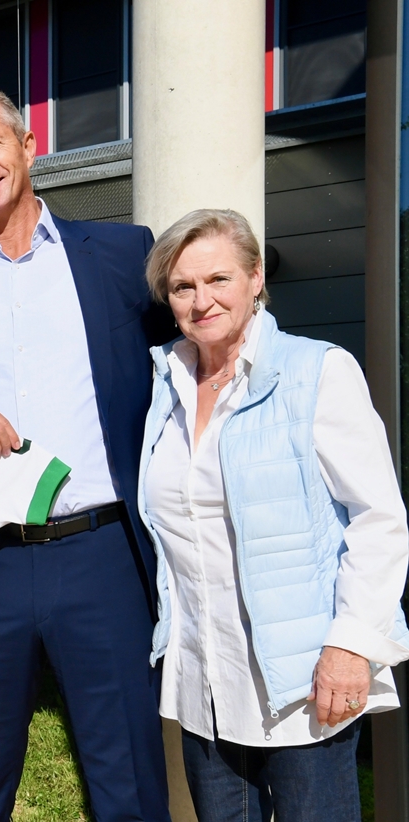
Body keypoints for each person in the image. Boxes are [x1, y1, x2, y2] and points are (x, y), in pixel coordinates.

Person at [0, 86, 175, 822]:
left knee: (128, 782)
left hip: (101, 553)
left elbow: (192, 360)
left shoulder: (121, 254)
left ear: (26, 147)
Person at [137, 208, 409, 822]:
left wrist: (351, 647)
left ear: (256, 278)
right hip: (204, 678)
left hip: (302, 680)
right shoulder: (165, 383)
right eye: (183, 287)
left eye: (219, 279)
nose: (202, 300)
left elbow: (378, 518)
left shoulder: (317, 370)